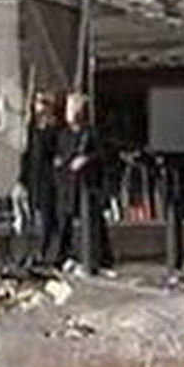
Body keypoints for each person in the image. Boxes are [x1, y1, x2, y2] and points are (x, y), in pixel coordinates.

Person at [53, 93, 114, 268]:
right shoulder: (63, 134)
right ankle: (61, 255)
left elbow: (101, 156)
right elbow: (60, 155)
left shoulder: (90, 133)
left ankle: (99, 258)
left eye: (71, 109)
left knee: (93, 222)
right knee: (64, 221)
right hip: (67, 183)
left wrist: (86, 160)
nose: (68, 113)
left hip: (86, 185)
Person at [19, 92, 61, 266]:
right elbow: (27, 154)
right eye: (37, 102)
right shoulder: (32, 128)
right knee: (30, 216)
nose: (39, 106)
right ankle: (32, 252)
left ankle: (45, 251)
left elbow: (54, 152)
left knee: (47, 216)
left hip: (47, 178)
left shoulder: (54, 129)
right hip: (33, 177)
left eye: (43, 102)